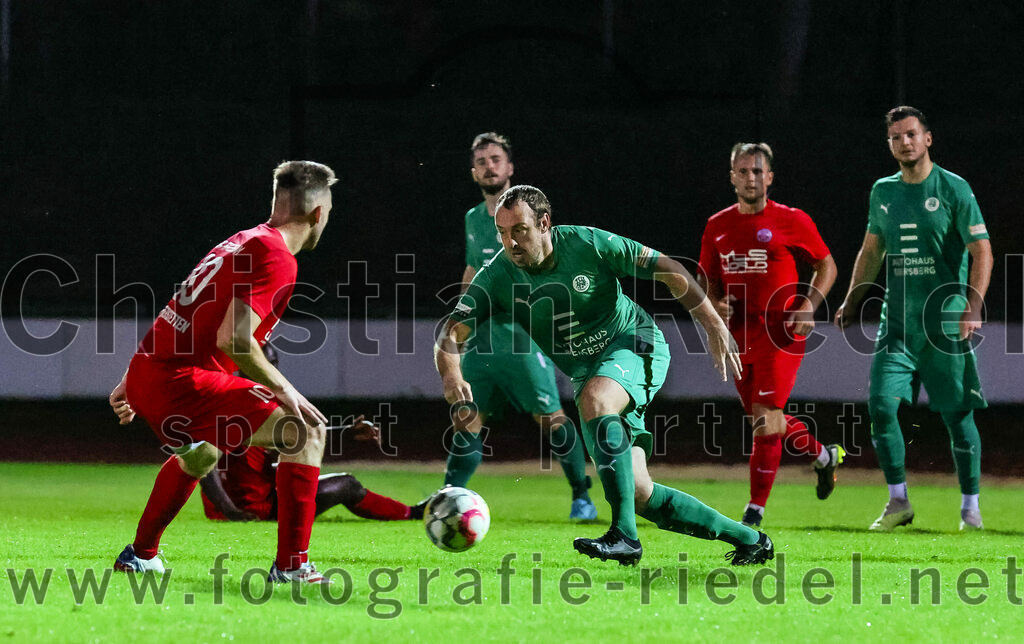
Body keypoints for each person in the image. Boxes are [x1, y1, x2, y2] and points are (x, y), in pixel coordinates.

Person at [436, 184, 774, 566]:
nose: (510, 242)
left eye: (520, 230)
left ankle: (625, 538)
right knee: (640, 493)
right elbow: (450, 332)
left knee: (596, 400)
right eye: (502, 232)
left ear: (544, 223)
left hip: (635, 342)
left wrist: (712, 324)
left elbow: (668, 268)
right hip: (590, 375)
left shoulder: (588, 243)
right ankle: (750, 539)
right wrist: (451, 372)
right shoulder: (498, 274)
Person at [108, 160, 372, 584]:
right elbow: (235, 341)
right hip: (180, 379)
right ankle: (291, 566)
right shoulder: (277, 257)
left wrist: (134, 376)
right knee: (303, 431)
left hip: (153, 370)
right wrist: (287, 390)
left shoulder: (242, 240)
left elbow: (185, 308)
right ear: (318, 213)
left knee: (201, 453)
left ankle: (140, 555)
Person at [835, 106, 992, 531]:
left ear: (927, 138)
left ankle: (970, 510)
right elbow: (872, 251)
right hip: (897, 327)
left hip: (943, 326)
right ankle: (898, 501)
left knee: (958, 418)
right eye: (895, 137)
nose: (904, 142)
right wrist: (852, 300)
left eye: (911, 134)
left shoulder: (954, 188)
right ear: (889, 145)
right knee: (882, 407)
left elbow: (982, 251)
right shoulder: (883, 191)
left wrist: (973, 305)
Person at [445, 132, 596, 521]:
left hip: (524, 337)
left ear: (510, 168)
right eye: (481, 161)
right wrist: (462, 318)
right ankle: (447, 497)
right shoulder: (473, 219)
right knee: (466, 416)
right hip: (483, 338)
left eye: (495, 159)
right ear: (473, 171)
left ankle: (582, 494)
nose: (488, 166)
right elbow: (472, 270)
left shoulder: (531, 212)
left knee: (550, 418)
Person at [698, 142, 842, 528]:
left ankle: (754, 512)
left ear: (770, 178)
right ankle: (824, 456)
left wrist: (809, 304)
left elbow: (826, 265)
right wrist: (714, 305)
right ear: (732, 177)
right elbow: (706, 280)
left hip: (781, 333)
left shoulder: (792, 220)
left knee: (765, 421)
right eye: (743, 171)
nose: (750, 178)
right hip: (739, 335)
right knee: (767, 421)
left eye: (758, 172)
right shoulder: (717, 226)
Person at [200, 344, 420, 523]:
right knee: (347, 484)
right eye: (266, 363)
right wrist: (230, 510)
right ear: (245, 365)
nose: (272, 369)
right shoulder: (248, 403)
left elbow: (292, 439)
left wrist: (344, 433)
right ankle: (411, 513)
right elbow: (205, 463)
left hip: (236, 504)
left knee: (289, 467)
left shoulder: (233, 396)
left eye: (275, 363)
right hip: (256, 508)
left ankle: (411, 512)